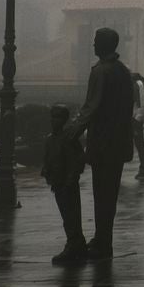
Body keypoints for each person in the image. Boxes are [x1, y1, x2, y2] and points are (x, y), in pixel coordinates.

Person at [65, 27, 135, 261]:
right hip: (119, 142)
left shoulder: (100, 72)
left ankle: (102, 242)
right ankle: (104, 238)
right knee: (110, 195)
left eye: (96, 41)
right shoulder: (123, 71)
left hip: (103, 143)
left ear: (104, 45)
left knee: (101, 193)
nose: (93, 44)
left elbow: (90, 108)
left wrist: (71, 132)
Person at [41, 104, 87, 266]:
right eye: (53, 117)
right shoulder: (50, 139)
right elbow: (48, 159)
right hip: (57, 182)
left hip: (68, 183)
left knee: (71, 215)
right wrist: (46, 172)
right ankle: (75, 242)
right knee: (66, 215)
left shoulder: (69, 138)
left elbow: (79, 159)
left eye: (59, 117)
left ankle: (74, 243)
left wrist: (72, 177)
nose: (55, 121)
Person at [131, 71, 144, 180]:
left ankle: (143, 169)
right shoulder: (137, 83)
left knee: (139, 143)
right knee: (139, 143)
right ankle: (143, 169)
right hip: (134, 116)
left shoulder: (138, 84)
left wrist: (137, 118)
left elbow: (142, 104)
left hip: (135, 117)